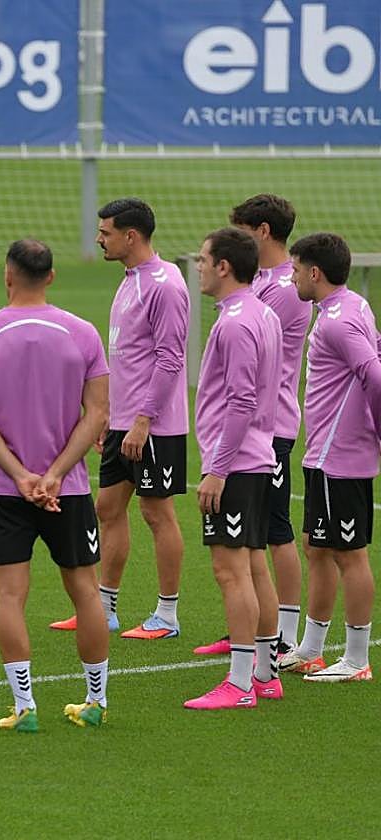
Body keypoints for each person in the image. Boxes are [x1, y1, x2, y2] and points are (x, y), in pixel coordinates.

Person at [0, 240, 111, 733]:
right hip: (68, 489)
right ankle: (95, 702)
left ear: (8, 275)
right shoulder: (82, 333)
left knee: (10, 596)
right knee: (85, 591)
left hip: (5, 490)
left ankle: (24, 707)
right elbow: (98, 414)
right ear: (51, 276)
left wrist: (19, 474)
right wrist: (55, 474)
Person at [51, 198, 190, 640]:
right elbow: (127, 357)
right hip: (123, 422)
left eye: (106, 232)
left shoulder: (165, 285)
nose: (99, 239)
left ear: (131, 236)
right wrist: (110, 415)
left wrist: (144, 420)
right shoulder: (131, 280)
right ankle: (104, 607)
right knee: (107, 508)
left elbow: (170, 358)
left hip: (153, 425)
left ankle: (166, 616)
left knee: (156, 512)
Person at [195, 195, 312, 658]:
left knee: (273, 533)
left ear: (261, 231)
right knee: (254, 547)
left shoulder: (278, 291)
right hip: (256, 430)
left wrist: (218, 466)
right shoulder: (262, 288)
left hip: (260, 431)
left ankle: (279, 639)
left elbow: (244, 388)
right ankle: (257, 641)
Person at [185, 228, 284, 709]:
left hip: (238, 464)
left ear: (224, 266)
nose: (199, 267)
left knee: (231, 571)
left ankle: (240, 684)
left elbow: (241, 401)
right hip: (258, 457)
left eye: (203, 260)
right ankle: (265, 675)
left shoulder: (235, 323)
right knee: (254, 566)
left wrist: (217, 469)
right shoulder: (261, 313)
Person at [279, 233, 378, 683]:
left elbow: (374, 374)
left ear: (314, 272)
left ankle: (356, 660)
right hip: (322, 453)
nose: (293, 277)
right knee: (317, 547)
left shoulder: (338, 322)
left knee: (349, 554)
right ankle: (311, 649)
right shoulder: (350, 306)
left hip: (341, 457)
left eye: (296, 269)